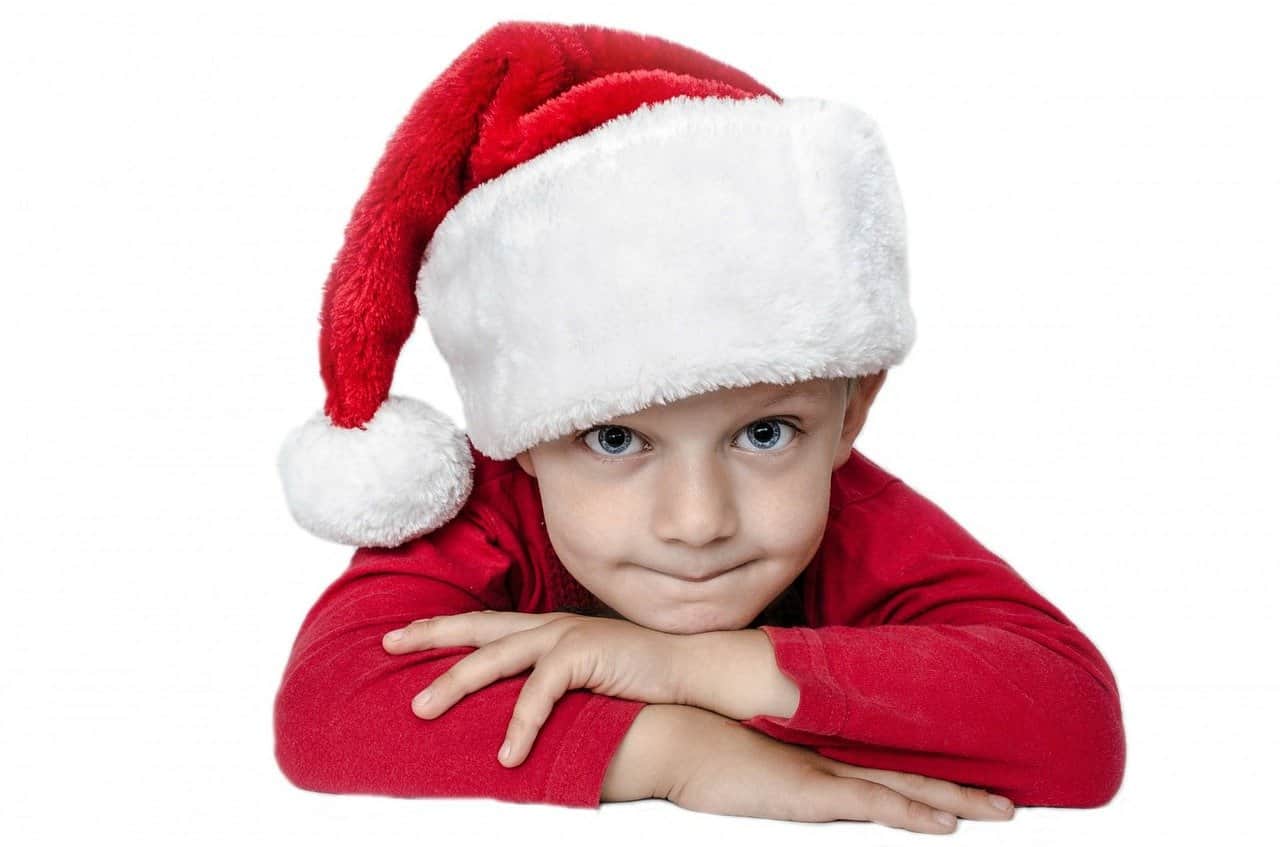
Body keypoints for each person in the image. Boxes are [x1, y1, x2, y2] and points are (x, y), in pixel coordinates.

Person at [272, 21, 1125, 834]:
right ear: (523, 435)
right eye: (614, 438)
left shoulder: (858, 519)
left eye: (765, 435)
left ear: (850, 416)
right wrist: (678, 753)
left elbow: (1077, 726)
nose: (697, 521)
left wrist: (684, 667)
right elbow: (327, 709)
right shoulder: (488, 515)